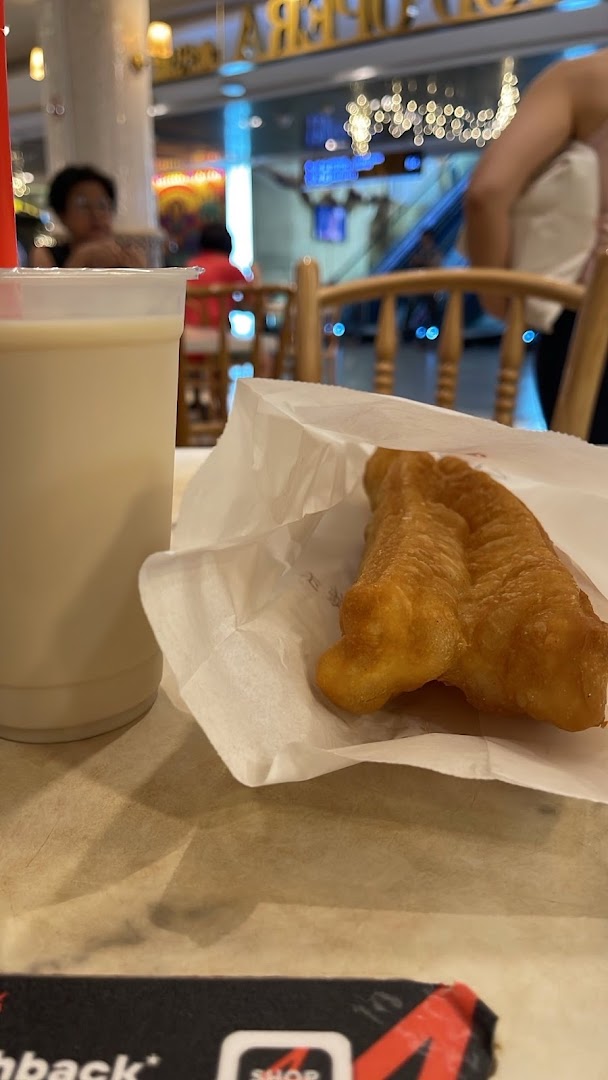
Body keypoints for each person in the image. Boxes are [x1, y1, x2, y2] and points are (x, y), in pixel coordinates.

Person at [465, 50, 608, 443]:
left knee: (587, 485)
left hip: (590, 317)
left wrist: (501, 300)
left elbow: (487, 192)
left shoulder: (584, 79)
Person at [31, 164, 145, 269]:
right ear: (62, 214)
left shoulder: (128, 256)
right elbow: (50, 291)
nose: (96, 215)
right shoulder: (46, 255)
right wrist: (79, 260)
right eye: (83, 206)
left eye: (102, 205)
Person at [185, 223, 248, 329]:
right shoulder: (229, 267)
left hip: (189, 331)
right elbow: (252, 300)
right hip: (218, 332)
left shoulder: (191, 264)